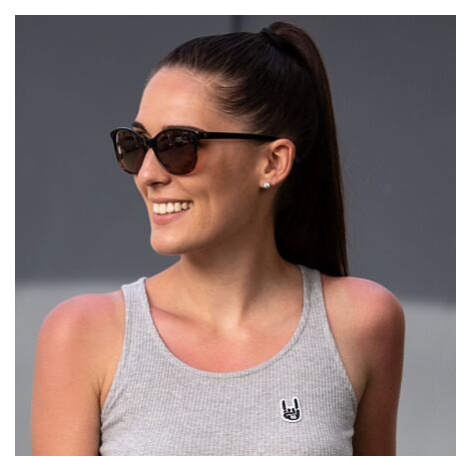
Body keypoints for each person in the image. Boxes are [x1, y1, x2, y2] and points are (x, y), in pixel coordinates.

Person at [31, 21, 405, 456]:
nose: (148, 174)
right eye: (135, 144)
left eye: (176, 145)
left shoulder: (363, 322)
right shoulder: (81, 334)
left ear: (273, 163)